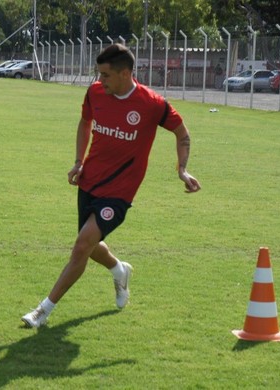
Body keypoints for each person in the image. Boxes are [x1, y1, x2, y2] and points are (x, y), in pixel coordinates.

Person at [21, 44, 201, 328]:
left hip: (119, 192)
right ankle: (119, 270)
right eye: (98, 73)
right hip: (89, 181)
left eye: (105, 74)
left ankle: (43, 310)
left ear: (125, 73)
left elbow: (182, 132)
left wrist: (182, 169)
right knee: (90, 246)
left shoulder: (152, 104)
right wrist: (79, 161)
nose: (99, 80)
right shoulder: (95, 93)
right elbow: (85, 123)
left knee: (81, 246)